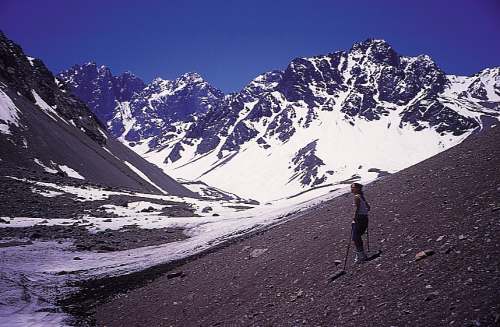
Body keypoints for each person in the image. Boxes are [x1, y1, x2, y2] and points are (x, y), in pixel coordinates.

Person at [350, 182, 371, 263]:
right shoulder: (362, 197)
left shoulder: (356, 197)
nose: (352, 189)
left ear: (358, 188)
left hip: (359, 219)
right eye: (351, 187)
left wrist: (354, 218)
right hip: (365, 218)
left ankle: (361, 256)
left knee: (355, 237)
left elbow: (356, 209)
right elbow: (368, 208)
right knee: (357, 236)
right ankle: (360, 255)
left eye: (353, 187)